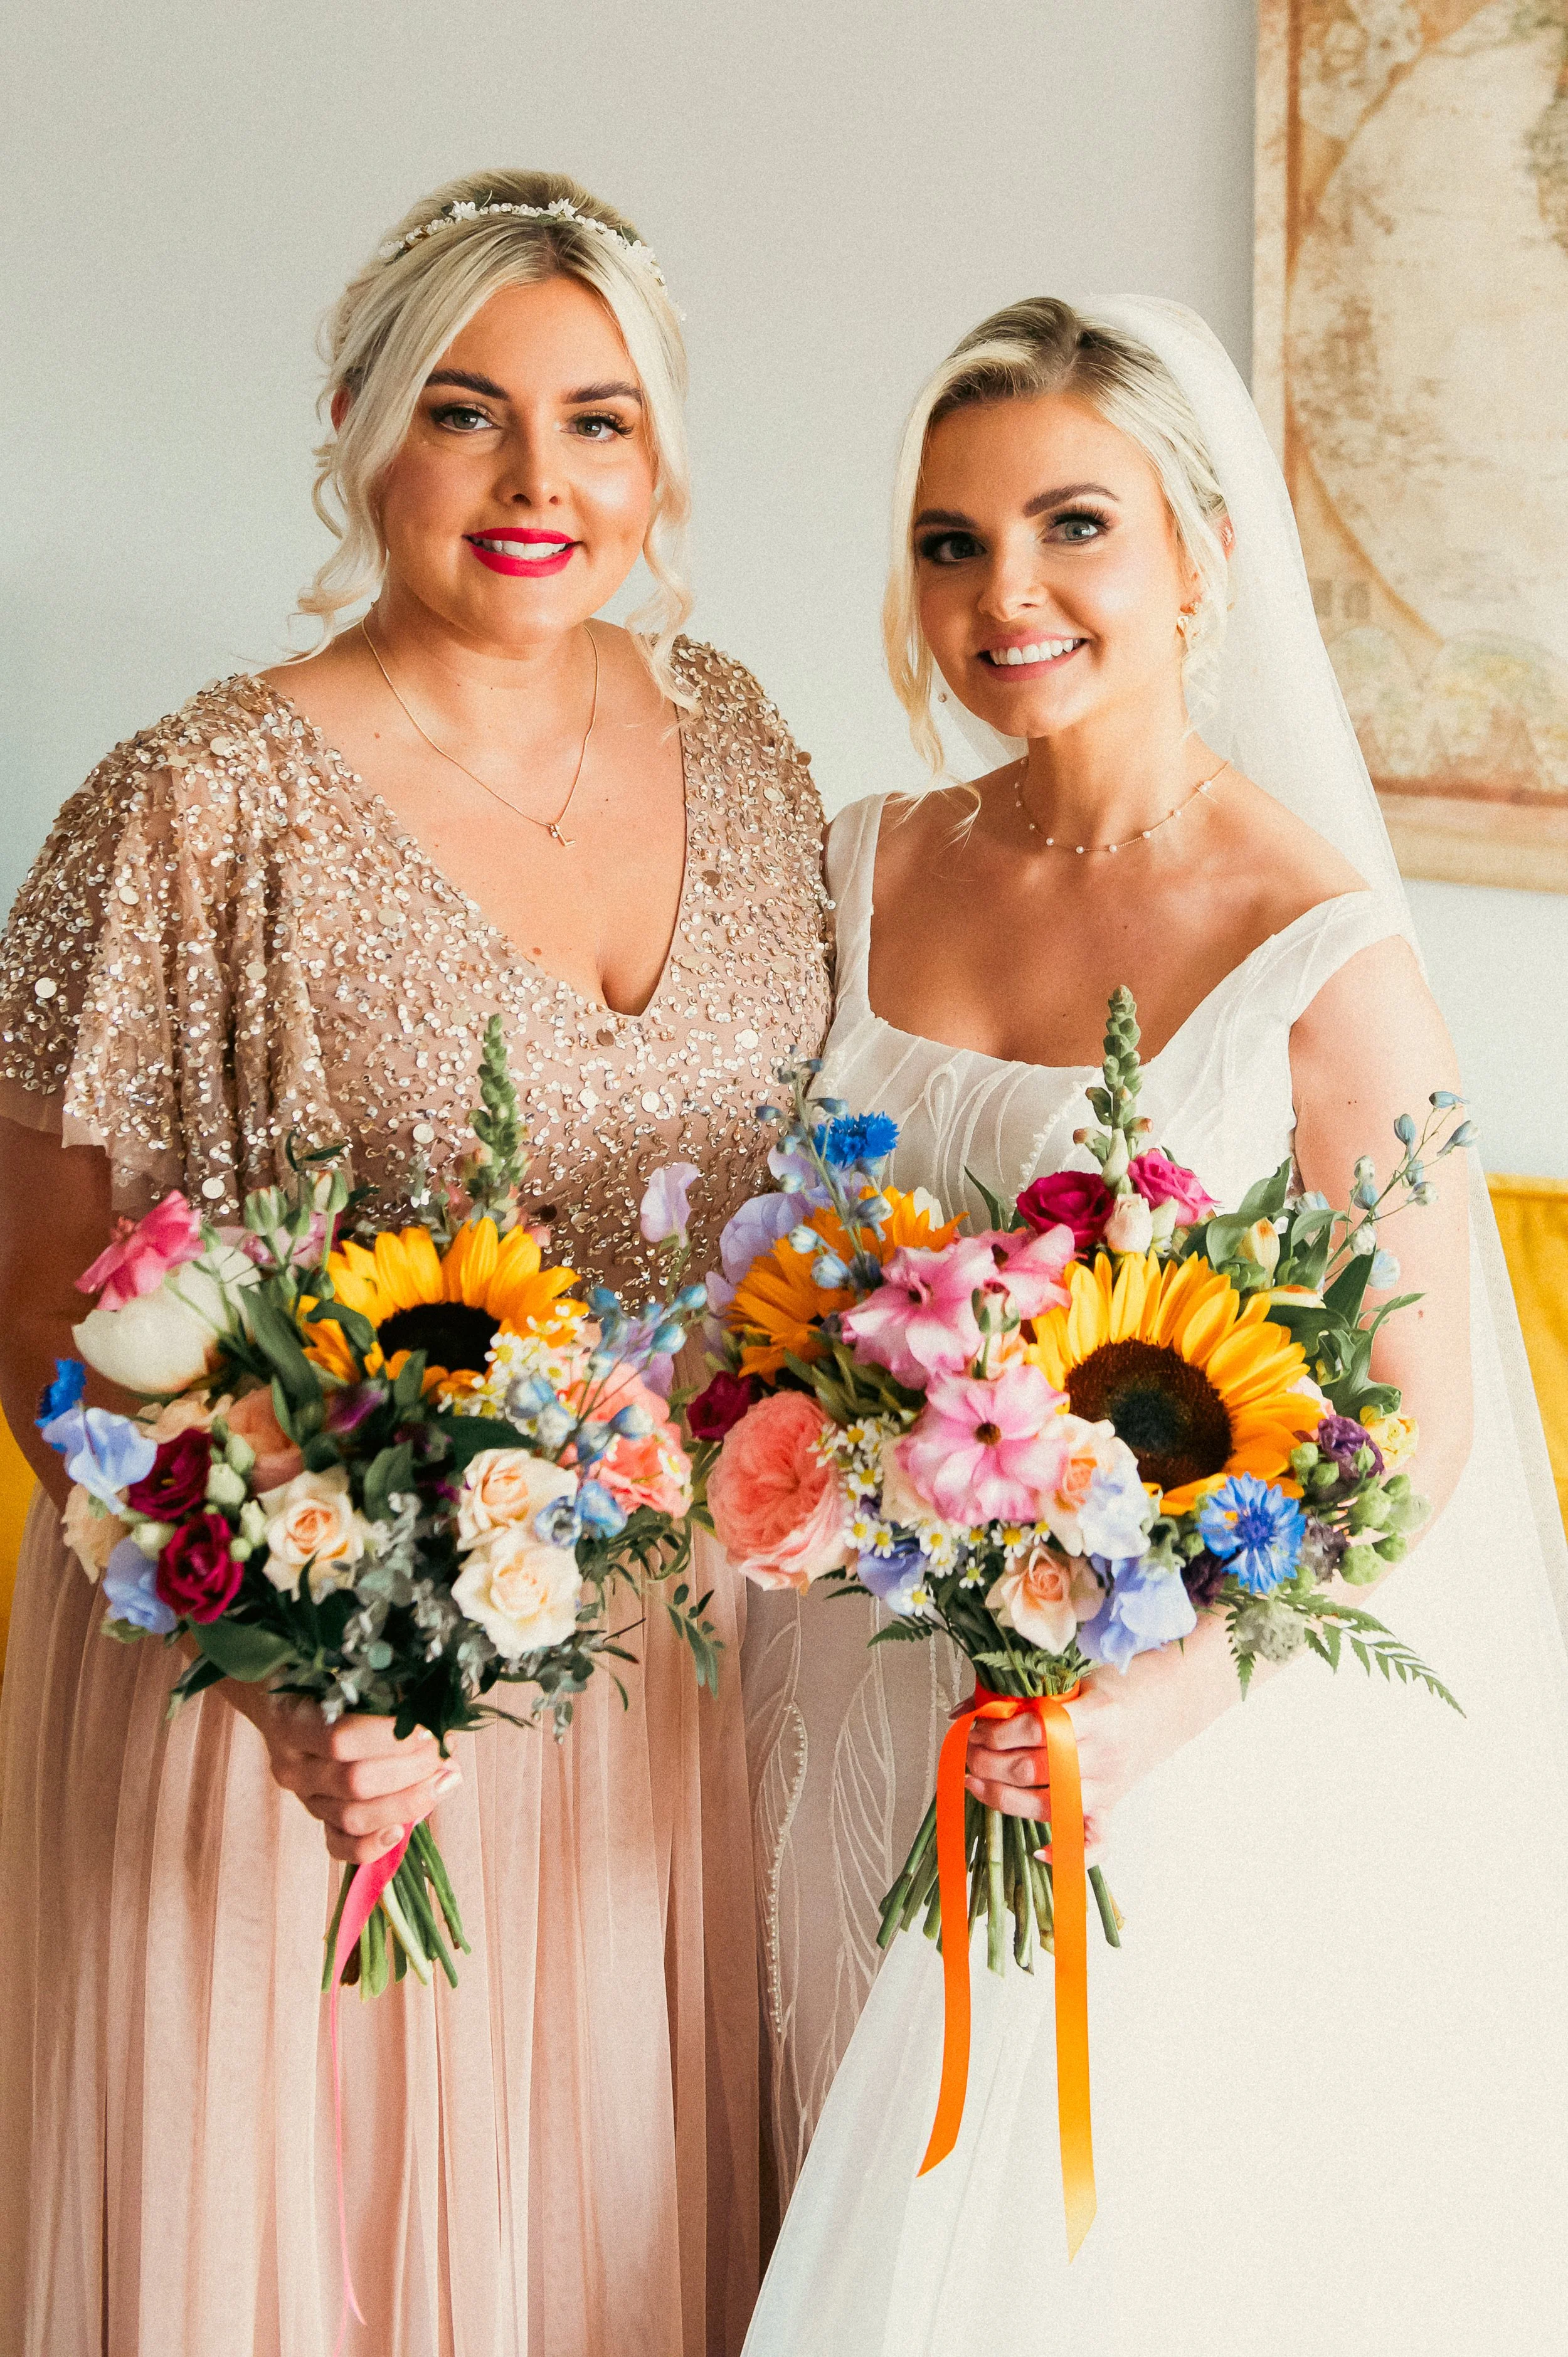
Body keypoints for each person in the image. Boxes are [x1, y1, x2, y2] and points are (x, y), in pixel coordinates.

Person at [0, 167, 831, 2357]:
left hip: (649, 1670)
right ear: (359, 428)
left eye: (597, 421)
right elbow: (41, 1304)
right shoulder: (194, 803)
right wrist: (289, 1668)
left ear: (660, 457)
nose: (537, 481)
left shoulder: (746, 746)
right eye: (468, 413)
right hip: (293, 1674)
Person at [739, 297, 1568, 2354]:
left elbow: (1416, 1424)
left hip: (1124, 1733)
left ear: (1198, 552)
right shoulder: (855, 864)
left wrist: (1166, 1698)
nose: (1002, 594)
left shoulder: (1320, 948)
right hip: (824, 1686)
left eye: (1071, 526)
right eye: (950, 542)